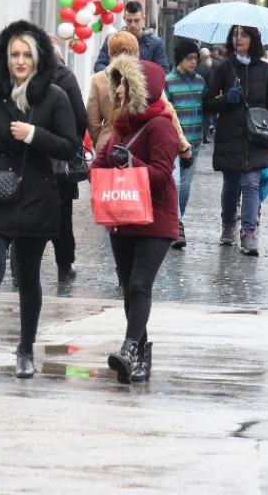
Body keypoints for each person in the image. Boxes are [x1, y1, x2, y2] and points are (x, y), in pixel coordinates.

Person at [0, 20, 78, 381]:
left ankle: (25, 349)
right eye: (14, 55)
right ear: (4, 59)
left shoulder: (54, 97)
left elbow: (69, 146)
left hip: (37, 200)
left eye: (26, 55)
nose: (20, 61)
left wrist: (33, 134)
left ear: (38, 59)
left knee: (27, 276)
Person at [91, 55, 179, 384]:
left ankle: (129, 349)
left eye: (125, 85)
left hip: (155, 220)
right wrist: (105, 165)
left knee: (141, 284)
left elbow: (161, 175)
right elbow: (98, 166)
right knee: (129, 288)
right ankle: (141, 354)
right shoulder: (118, 126)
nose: (118, 91)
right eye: (119, 84)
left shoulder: (161, 126)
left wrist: (130, 161)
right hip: (122, 215)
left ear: (141, 89)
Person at [204, 25, 268, 256]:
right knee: (232, 184)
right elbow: (207, 103)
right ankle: (228, 225)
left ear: (253, 39)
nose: (239, 39)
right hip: (230, 135)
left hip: (256, 136)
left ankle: (248, 233)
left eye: (244, 35)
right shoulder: (225, 68)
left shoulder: (265, 70)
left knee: (251, 183)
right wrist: (227, 99)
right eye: (235, 34)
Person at [33, 37, 88, 281]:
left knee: (27, 213)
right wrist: (71, 141)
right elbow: (81, 116)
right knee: (62, 216)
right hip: (60, 161)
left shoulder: (24, 77)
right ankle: (64, 266)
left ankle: (19, 269)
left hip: (31, 156)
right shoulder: (66, 78)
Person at [165, 38, 206, 249]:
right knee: (176, 184)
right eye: (189, 58)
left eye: (196, 59)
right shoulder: (168, 81)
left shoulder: (200, 81)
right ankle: (175, 224)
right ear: (181, 58)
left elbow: (207, 105)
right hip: (173, 144)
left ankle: (176, 220)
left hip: (194, 142)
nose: (193, 62)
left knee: (186, 187)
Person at [92, 1, 168, 72]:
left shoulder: (155, 43)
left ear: (143, 18)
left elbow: (163, 71)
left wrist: (140, 73)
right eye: (129, 21)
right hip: (116, 84)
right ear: (124, 19)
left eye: (136, 20)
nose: (133, 25)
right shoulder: (112, 39)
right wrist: (117, 73)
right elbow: (98, 66)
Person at [197, 46, 216, 143]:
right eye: (206, 56)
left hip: (199, 96)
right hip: (206, 96)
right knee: (205, 118)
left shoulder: (196, 66)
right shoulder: (206, 68)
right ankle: (204, 136)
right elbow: (211, 84)